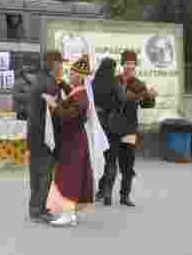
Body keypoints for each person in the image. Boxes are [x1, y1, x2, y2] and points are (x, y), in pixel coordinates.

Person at [43, 54, 98, 226]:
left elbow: (68, 115)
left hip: (74, 141)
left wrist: (53, 105)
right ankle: (69, 213)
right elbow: (70, 94)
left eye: (72, 74)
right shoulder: (78, 91)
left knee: (69, 176)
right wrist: (62, 83)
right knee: (69, 174)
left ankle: (67, 214)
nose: (70, 76)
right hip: (74, 139)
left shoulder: (82, 96)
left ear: (80, 77)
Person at [96, 50, 156, 207]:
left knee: (128, 163)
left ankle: (125, 195)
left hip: (129, 128)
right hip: (112, 127)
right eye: (127, 63)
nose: (130, 66)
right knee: (109, 160)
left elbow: (146, 105)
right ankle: (104, 192)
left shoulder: (139, 84)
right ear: (122, 65)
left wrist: (151, 97)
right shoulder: (113, 80)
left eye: (132, 64)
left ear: (135, 66)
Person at [27, 51, 65, 223]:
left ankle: (35, 207)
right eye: (61, 63)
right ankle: (39, 209)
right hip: (46, 136)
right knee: (45, 174)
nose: (62, 67)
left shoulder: (39, 79)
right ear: (54, 64)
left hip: (35, 134)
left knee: (36, 173)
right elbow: (57, 113)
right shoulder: (50, 84)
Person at [92, 57, 129, 206]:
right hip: (112, 126)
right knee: (111, 161)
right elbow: (123, 99)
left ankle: (99, 191)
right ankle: (107, 193)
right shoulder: (115, 83)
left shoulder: (94, 83)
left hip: (97, 125)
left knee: (98, 159)